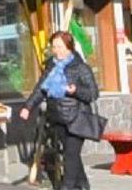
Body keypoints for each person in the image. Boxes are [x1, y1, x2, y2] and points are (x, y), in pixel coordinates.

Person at [34, 31, 100, 189]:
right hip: (59, 117)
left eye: (60, 46)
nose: (56, 50)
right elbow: (40, 89)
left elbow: (93, 93)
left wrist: (76, 90)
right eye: (54, 47)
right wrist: (28, 107)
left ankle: (67, 187)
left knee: (70, 154)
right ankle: (83, 185)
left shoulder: (81, 67)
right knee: (72, 155)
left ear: (69, 47)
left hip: (78, 117)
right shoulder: (50, 67)